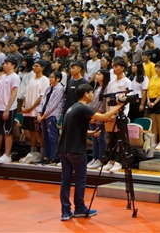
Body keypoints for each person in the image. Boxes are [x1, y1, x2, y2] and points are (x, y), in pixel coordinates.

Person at [57, 83, 124, 221]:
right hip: (76, 150)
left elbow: (73, 129)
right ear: (86, 94)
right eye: (92, 93)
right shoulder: (83, 108)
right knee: (80, 179)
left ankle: (65, 212)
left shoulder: (72, 108)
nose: (93, 95)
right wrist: (119, 106)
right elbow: (104, 117)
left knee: (65, 181)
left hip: (64, 149)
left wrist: (90, 133)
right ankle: (80, 208)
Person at [19, 60, 49, 164]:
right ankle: (33, 152)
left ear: (42, 68)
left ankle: (42, 154)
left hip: (36, 111)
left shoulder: (45, 80)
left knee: (40, 132)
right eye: (34, 66)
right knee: (31, 132)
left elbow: (42, 96)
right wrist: (23, 105)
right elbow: (26, 94)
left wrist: (31, 108)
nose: (34, 68)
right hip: (28, 111)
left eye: (37, 66)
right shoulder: (31, 80)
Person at [37, 71, 65, 165]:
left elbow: (53, 104)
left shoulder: (60, 88)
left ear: (58, 79)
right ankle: (46, 156)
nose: (50, 79)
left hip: (52, 115)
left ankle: (54, 157)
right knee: (45, 136)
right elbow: (42, 101)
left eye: (52, 77)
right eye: (50, 77)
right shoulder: (48, 88)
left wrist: (43, 115)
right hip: (44, 115)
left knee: (52, 136)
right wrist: (39, 113)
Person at [86, 70, 110, 170]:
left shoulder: (106, 88)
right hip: (92, 114)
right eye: (97, 74)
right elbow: (91, 102)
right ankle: (94, 158)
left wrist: (95, 116)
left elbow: (103, 104)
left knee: (100, 138)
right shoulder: (96, 88)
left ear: (105, 76)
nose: (97, 76)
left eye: (99, 74)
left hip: (99, 116)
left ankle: (101, 159)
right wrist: (89, 115)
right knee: (94, 138)